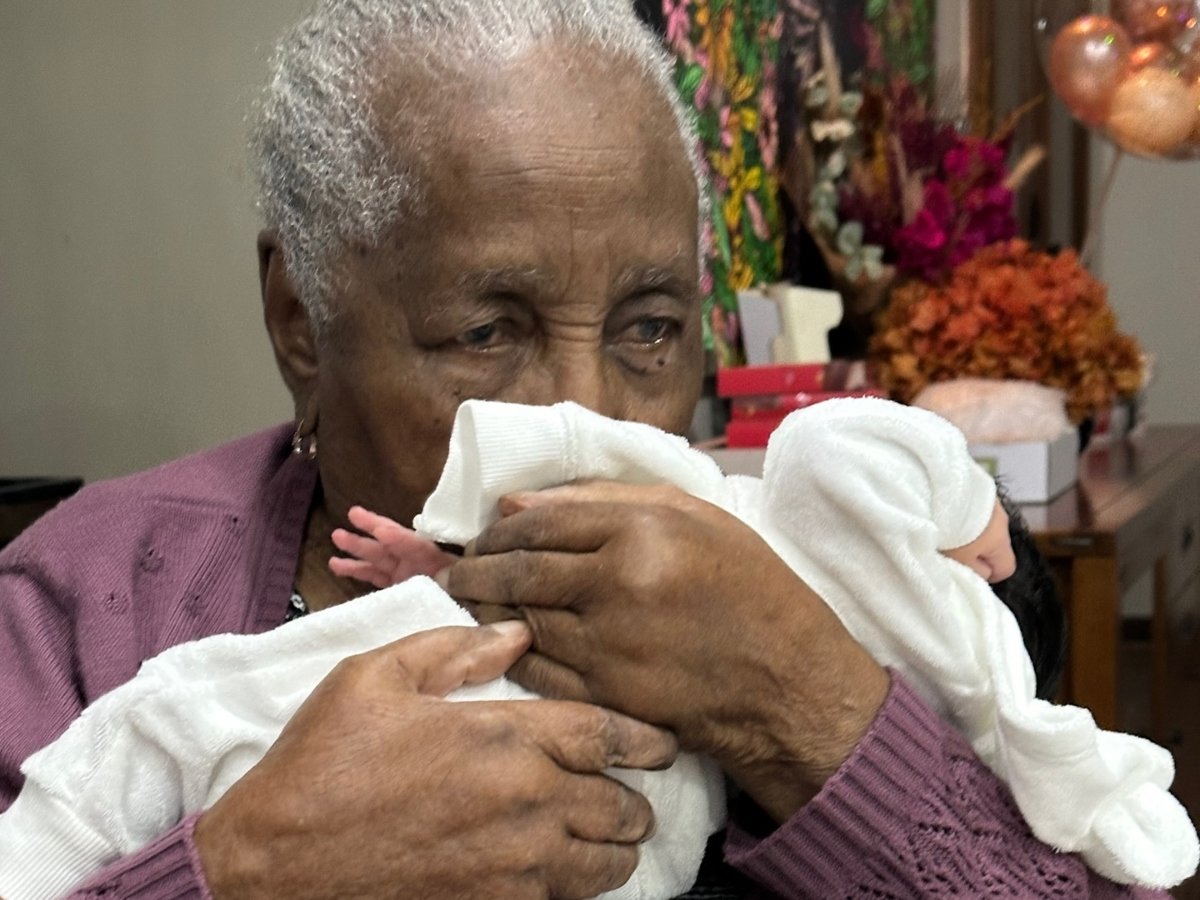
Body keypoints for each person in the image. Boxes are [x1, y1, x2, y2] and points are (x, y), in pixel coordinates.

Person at [0, 0, 1177, 896]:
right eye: (486, 332)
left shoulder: (815, 574)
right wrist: (249, 870)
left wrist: (806, 711)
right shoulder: (85, 603)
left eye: (649, 330)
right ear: (301, 320)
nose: (586, 418)